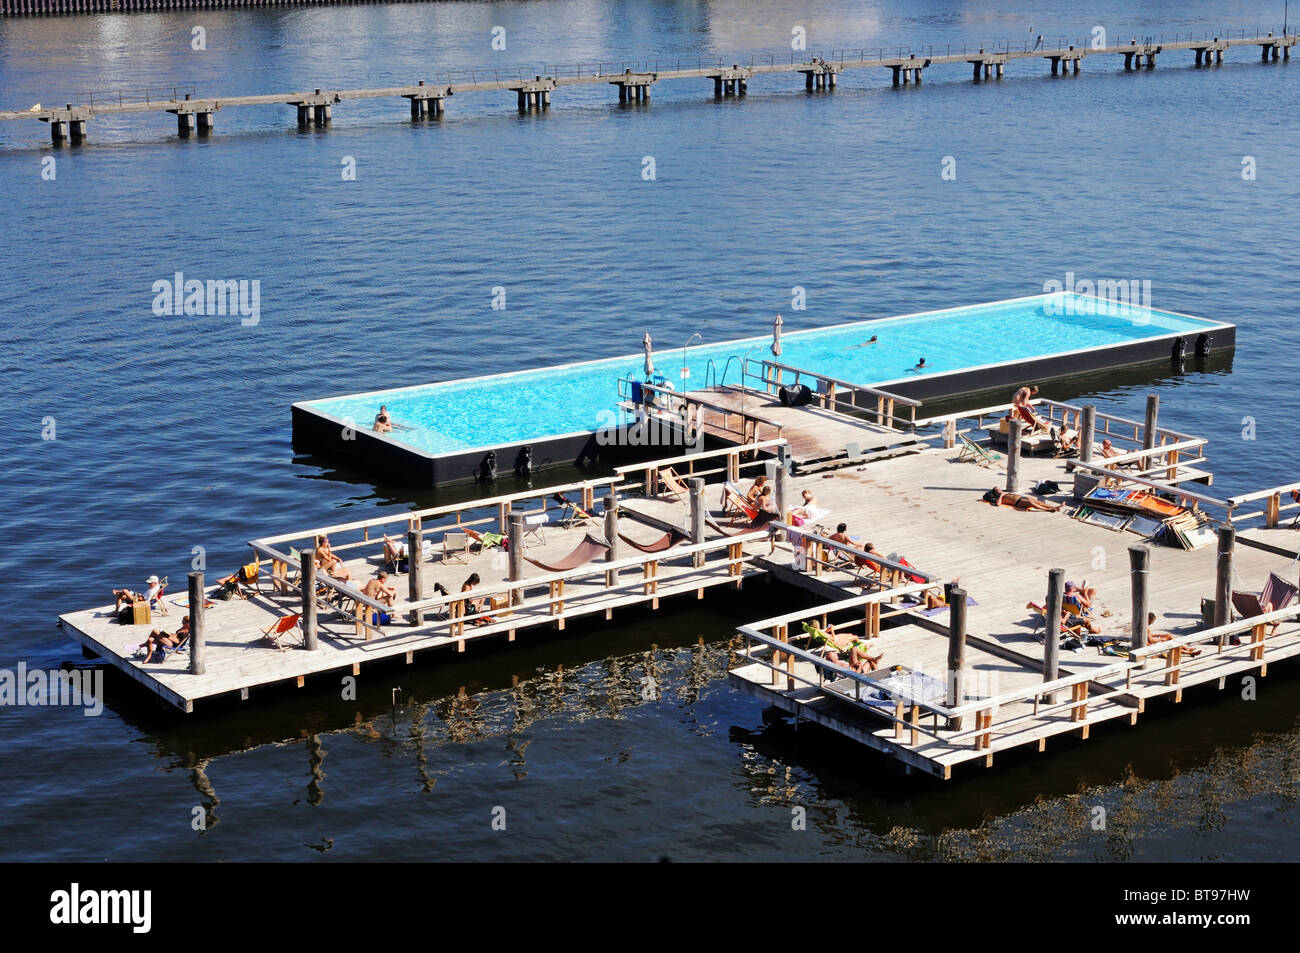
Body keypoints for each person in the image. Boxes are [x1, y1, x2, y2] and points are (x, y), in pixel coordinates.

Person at [986, 487, 1062, 512]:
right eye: (998, 489)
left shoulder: (1004, 493)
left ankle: (1055, 507)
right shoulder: (999, 498)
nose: (1000, 489)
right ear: (996, 492)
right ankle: (1048, 510)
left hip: (1022, 497)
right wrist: (1001, 495)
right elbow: (998, 504)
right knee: (1031, 503)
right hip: (1018, 502)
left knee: (1039, 502)